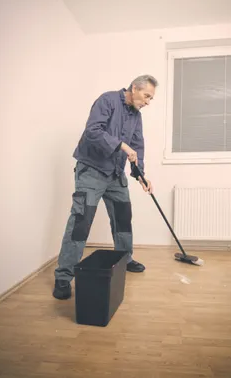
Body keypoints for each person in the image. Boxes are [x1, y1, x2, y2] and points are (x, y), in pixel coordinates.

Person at [53, 74, 158, 299]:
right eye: (146, 96)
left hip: (114, 174)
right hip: (91, 170)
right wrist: (121, 145)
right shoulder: (108, 100)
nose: (148, 102)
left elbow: (137, 147)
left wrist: (140, 175)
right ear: (134, 88)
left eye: (151, 98)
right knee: (81, 222)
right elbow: (93, 132)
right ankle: (63, 276)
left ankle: (125, 259)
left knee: (123, 217)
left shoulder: (136, 116)